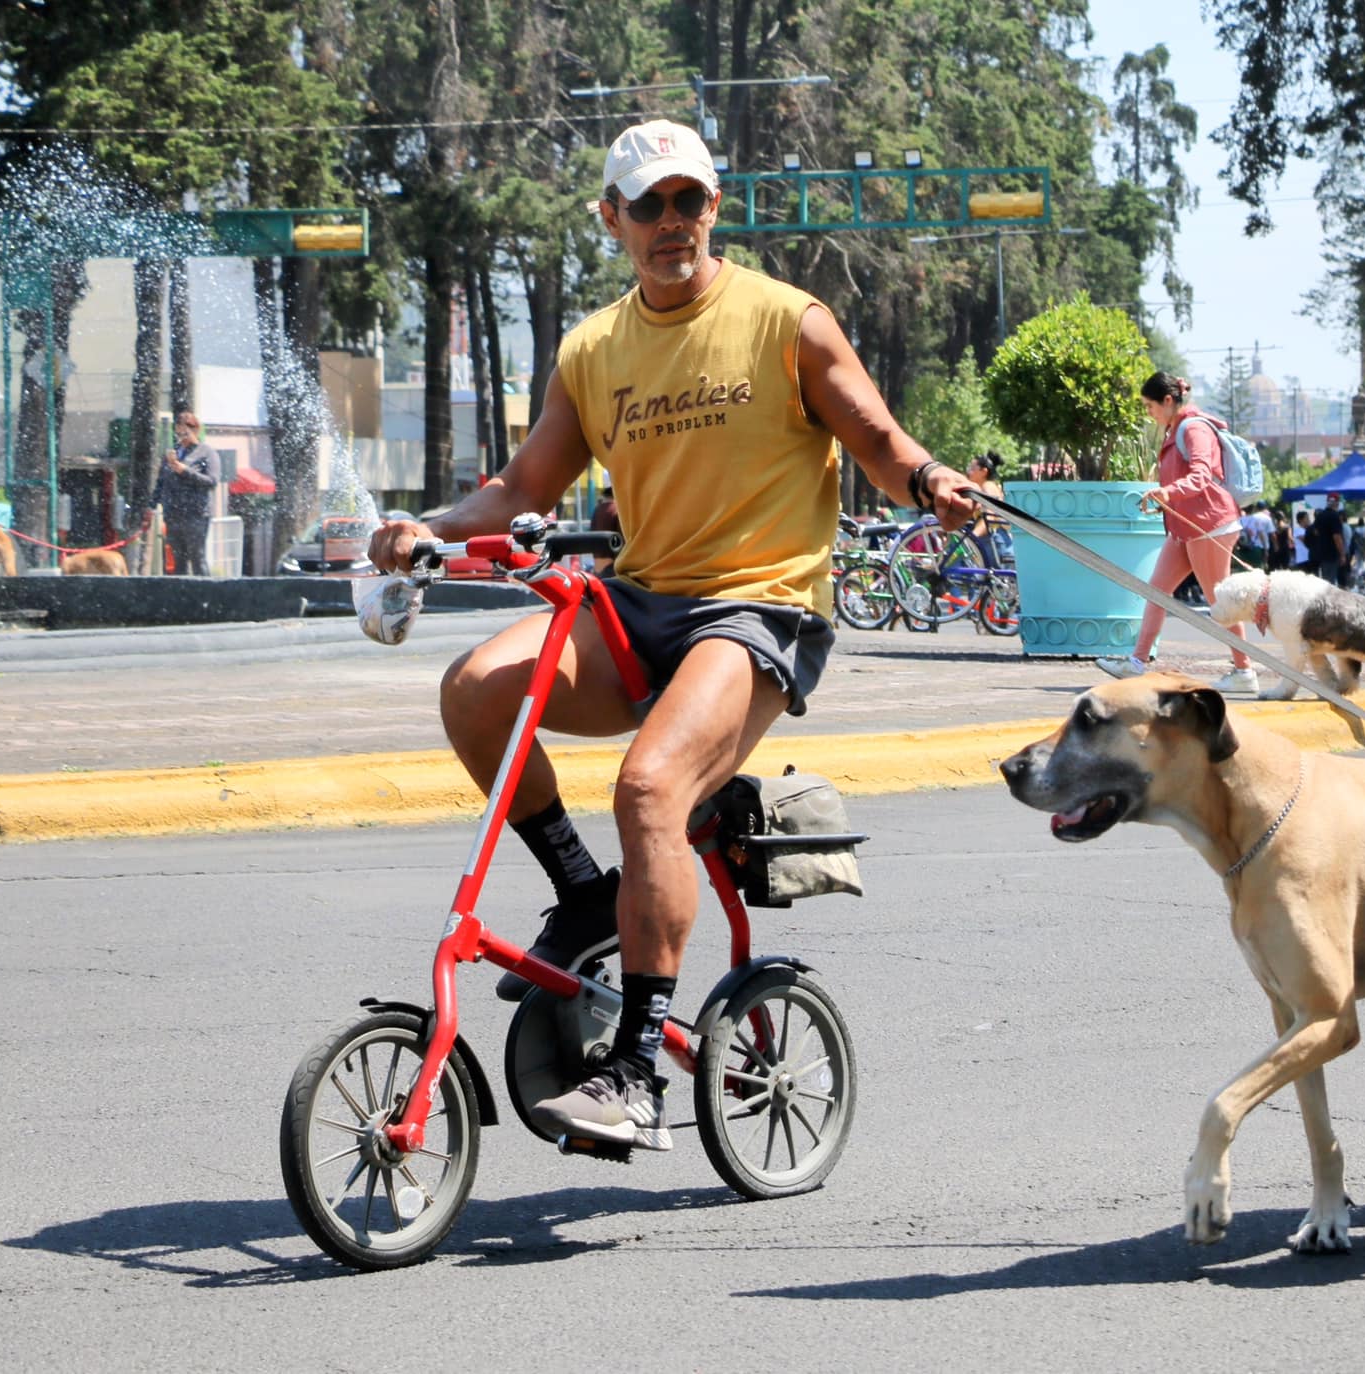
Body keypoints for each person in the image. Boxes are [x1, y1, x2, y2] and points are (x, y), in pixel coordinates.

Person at [365, 119, 978, 1150]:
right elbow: (524, 487)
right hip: (640, 609)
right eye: (645, 205)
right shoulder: (593, 350)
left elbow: (875, 438)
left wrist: (928, 479)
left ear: (713, 207)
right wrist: (422, 529)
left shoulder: (787, 320)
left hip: (759, 612)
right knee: (474, 689)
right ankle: (582, 891)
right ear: (611, 219)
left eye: (685, 200)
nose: (668, 223)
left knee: (649, 788)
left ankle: (638, 1073)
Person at [1094, 371, 1255, 693]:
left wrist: (1169, 492)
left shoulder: (1194, 429)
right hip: (1187, 526)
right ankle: (1136, 662)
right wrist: (1168, 495)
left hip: (1209, 524)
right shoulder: (1178, 428)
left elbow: (1202, 476)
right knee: (1156, 590)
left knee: (1218, 601)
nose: (1148, 413)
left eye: (1149, 405)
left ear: (1168, 401)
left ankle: (1244, 672)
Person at [156, 411, 217, 576]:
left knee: (197, 557)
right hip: (174, 514)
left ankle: (205, 595)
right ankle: (181, 596)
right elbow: (161, 482)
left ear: (195, 431)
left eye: (185, 433)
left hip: (196, 514)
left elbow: (212, 481)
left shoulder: (206, 452)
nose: (182, 437)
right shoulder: (172, 454)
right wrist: (152, 505)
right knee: (178, 559)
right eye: (178, 433)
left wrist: (186, 471)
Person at [966, 452, 1011, 565]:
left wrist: (971, 538)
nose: (968, 471)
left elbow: (989, 517)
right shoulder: (986, 487)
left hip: (994, 541)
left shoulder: (988, 487)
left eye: (972, 468)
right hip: (993, 539)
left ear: (984, 472)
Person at [1309, 493, 1348, 588]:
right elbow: (1337, 537)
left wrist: (1324, 537)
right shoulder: (1335, 517)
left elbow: (1315, 531)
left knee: (1325, 580)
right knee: (1330, 582)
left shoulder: (1320, 516)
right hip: (1332, 553)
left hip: (1322, 552)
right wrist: (1342, 554)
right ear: (1337, 503)